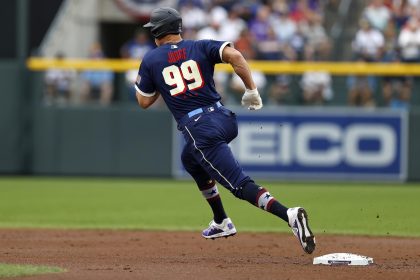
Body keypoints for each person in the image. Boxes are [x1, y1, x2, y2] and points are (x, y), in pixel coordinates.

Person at [134, 7, 315, 254]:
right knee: (190, 159)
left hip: (200, 129)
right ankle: (221, 220)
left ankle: (289, 214)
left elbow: (144, 101)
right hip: (223, 118)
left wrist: (157, 80)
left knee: (240, 185)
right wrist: (251, 90)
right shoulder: (200, 46)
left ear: (157, 31)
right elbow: (236, 57)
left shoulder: (152, 59)